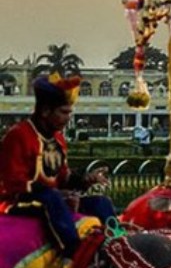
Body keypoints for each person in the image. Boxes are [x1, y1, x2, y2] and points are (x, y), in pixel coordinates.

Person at [0, 75, 115, 257]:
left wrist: (86, 180)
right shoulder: (18, 135)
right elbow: (12, 183)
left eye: (70, 113)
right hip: (16, 201)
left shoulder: (59, 139)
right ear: (45, 111)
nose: (69, 118)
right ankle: (74, 253)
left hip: (53, 201)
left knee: (101, 202)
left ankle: (118, 243)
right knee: (51, 198)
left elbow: (63, 178)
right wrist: (58, 195)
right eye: (64, 112)